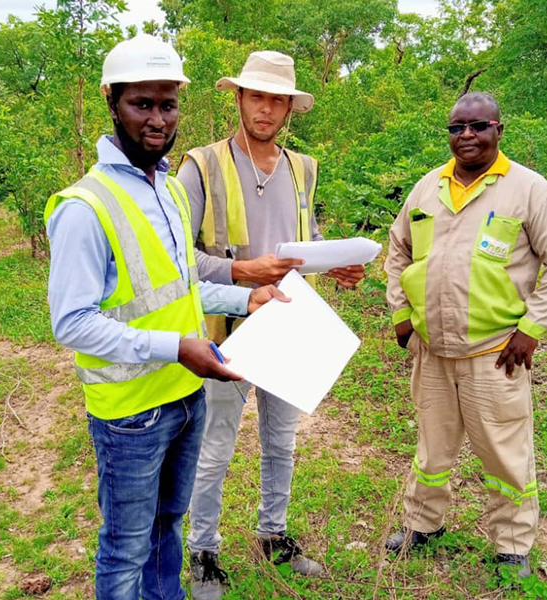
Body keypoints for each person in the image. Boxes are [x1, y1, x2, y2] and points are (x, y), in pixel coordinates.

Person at [45, 35, 289, 600]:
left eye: (168, 104)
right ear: (112, 102)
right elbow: (72, 323)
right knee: (126, 550)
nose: (158, 119)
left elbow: (183, 288)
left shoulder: (170, 192)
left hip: (185, 396)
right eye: (142, 104)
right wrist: (177, 347)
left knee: (167, 532)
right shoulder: (85, 206)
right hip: (131, 414)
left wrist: (245, 300)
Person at [176, 50, 365, 598]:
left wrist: (335, 264)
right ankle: (203, 552)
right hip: (224, 330)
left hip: (288, 325)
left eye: (277, 100)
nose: (266, 109)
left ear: (290, 109)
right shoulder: (201, 166)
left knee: (281, 442)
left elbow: (304, 242)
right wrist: (240, 271)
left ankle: (273, 536)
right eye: (256, 96)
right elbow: (178, 261)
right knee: (216, 447)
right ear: (238, 98)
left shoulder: (303, 168)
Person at [384, 92, 547, 579]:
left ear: (498, 129)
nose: (466, 135)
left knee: (505, 452)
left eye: (477, 126)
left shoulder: (528, 190)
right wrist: (401, 315)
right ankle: (422, 525)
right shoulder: (427, 188)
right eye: (457, 128)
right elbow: (398, 250)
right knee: (432, 448)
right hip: (433, 351)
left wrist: (531, 328)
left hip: (495, 353)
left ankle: (512, 547)